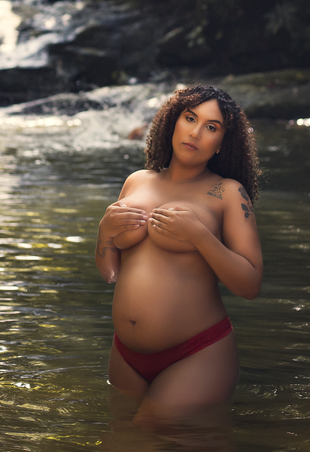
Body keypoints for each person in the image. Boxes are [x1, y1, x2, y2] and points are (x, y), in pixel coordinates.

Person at [95, 85, 262, 419]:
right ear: (173, 121)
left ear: (221, 144)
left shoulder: (228, 193)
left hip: (197, 352)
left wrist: (200, 236)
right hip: (125, 353)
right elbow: (109, 271)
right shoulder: (136, 182)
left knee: (149, 440)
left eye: (211, 127)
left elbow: (250, 285)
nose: (196, 133)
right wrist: (105, 232)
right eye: (190, 118)